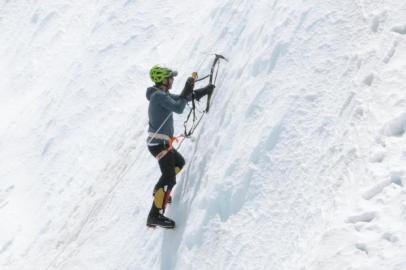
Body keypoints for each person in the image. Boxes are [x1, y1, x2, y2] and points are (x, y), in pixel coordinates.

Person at [145, 64, 214, 228]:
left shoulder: (161, 94)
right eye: (170, 77)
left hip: (161, 143)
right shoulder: (158, 97)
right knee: (169, 177)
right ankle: (154, 215)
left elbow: (181, 98)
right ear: (162, 80)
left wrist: (203, 90)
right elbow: (179, 107)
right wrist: (186, 89)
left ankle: (160, 192)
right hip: (159, 144)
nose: (172, 80)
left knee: (178, 163)